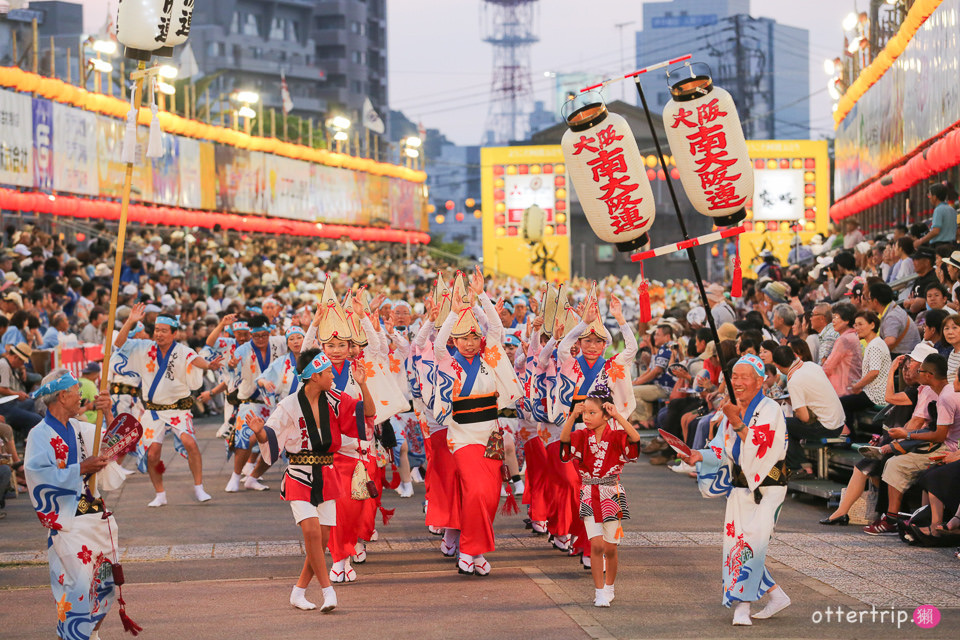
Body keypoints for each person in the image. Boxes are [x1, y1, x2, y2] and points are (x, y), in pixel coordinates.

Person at [245, 349, 376, 613]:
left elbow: (367, 415)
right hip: (299, 475)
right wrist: (260, 433)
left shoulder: (335, 399)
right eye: (327, 372)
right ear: (314, 376)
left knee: (320, 540)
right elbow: (271, 437)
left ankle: (298, 592)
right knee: (313, 533)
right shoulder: (289, 405)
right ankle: (329, 592)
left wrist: (363, 384)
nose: (331, 375)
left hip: (327, 474)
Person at [25, 370, 137, 640]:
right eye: (77, 390)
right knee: (77, 588)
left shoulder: (82, 428)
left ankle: (91, 633)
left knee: (106, 584)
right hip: (69, 523)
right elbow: (38, 476)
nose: (83, 396)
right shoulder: (39, 435)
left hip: (95, 519)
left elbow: (119, 442)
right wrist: (80, 468)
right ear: (63, 396)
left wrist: (109, 413)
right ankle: (75, 636)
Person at [679, 354, 790, 625]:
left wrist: (737, 421)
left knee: (752, 543)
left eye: (745, 376)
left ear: (760, 380)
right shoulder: (731, 410)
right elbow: (719, 449)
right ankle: (775, 595)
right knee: (737, 546)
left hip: (768, 488)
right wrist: (697, 456)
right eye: (735, 377)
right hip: (740, 488)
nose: (738, 382)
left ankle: (743, 606)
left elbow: (763, 448)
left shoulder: (770, 409)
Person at [433, 266, 523, 576]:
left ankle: (474, 551)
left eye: (473, 337)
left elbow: (496, 329)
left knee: (488, 494)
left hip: (490, 435)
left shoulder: (489, 358)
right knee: (473, 491)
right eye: (462, 338)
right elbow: (435, 345)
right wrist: (453, 315)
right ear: (454, 341)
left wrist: (481, 295)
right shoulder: (448, 363)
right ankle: (471, 550)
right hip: (462, 437)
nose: (469, 343)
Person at [115, 304, 222, 506]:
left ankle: (199, 487)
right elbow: (120, 344)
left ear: (174, 333)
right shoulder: (144, 347)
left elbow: (196, 359)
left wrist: (209, 365)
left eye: (164, 331)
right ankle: (160, 494)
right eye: (156, 330)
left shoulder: (182, 351)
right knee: (153, 453)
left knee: (190, 443)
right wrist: (130, 321)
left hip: (178, 410)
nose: (159, 334)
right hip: (153, 411)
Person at [560, 383, 642, 608]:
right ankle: (598, 591)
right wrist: (572, 415)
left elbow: (634, 440)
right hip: (588, 492)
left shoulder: (616, 436)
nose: (586, 417)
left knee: (610, 547)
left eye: (592, 413)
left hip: (610, 494)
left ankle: (610, 587)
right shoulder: (580, 435)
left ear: (606, 415)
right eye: (585, 412)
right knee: (595, 544)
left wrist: (619, 416)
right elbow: (564, 441)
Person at [773, 347, 845, 479]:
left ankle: (798, 468)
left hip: (826, 426)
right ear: (794, 354)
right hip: (838, 422)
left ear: (777, 365)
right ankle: (803, 465)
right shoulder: (811, 365)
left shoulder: (794, 380)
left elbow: (804, 417)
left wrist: (795, 404)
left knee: (780, 424)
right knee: (788, 424)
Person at [838, 311, 891, 431]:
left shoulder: (875, 345)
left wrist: (857, 386)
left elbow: (874, 372)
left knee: (841, 403)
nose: (857, 328)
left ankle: (848, 437)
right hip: (873, 391)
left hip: (876, 394)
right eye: (855, 325)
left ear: (872, 325)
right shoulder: (874, 343)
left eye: (860, 324)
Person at [822, 303, 862, 397]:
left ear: (846, 320)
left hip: (845, 391)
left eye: (836, 317)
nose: (833, 321)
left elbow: (828, 367)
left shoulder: (844, 339)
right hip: (850, 387)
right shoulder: (852, 336)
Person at [915, 183, 957, 249]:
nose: (929, 198)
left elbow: (935, 231)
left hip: (940, 246)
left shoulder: (938, 210)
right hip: (952, 244)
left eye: (930, 195)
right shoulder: (952, 209)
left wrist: (920, 241)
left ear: (935, 197)